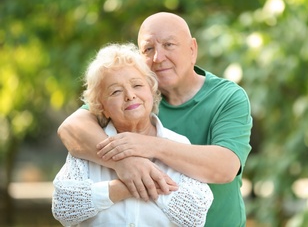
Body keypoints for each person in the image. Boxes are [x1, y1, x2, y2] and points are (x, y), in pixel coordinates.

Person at [58, 12, 252, 226]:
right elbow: (71, 128)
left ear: (192, 50)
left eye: (169, 45)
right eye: (148, 49)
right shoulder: (133, 99)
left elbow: (225, 167)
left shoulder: (226, 97)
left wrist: (150, 146)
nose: (158, 57)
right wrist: (125, 164)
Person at [52, 43, 213, 226]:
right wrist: (123, 186)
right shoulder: (88, 147)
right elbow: (64, 208)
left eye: (137, 85)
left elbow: (195, 214)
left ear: (151, 91)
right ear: (101, 107)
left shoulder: (177, 143)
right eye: (116, 91)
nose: (130, 95)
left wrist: (138, 180)